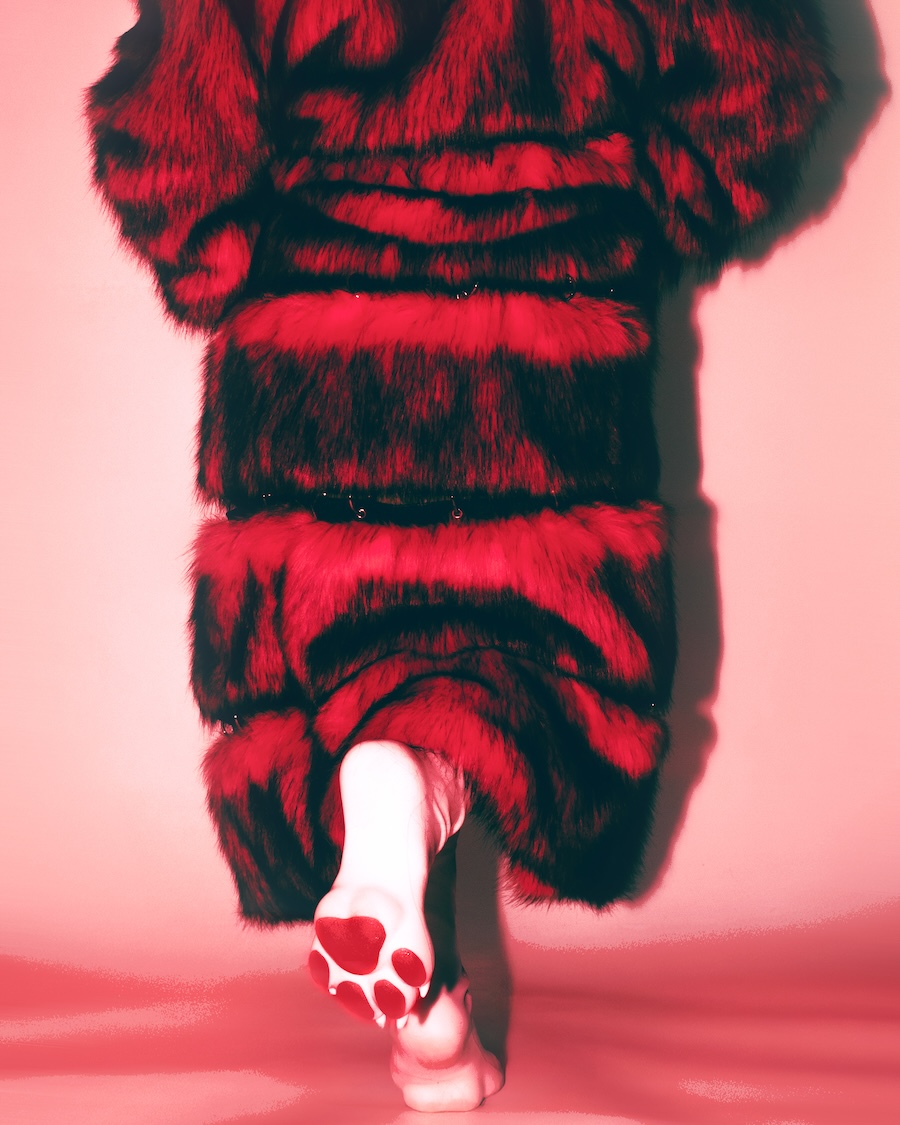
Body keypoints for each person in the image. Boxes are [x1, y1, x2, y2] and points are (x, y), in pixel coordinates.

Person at [88, 0, 835, 1111]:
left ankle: (426, 992)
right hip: (548, 343)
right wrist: (637, 212)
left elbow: (170, 146)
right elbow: (760, 87)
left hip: (323, 350)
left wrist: (230, 256)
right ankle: (420, 898)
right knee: (531, 670)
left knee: (347, 667)